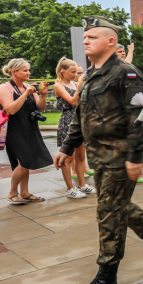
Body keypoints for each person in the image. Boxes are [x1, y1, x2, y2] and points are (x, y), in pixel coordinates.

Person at [54, 15, 143, 284]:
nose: (86, 40)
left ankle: (106, 276)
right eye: (85, 37)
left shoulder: (126, 74)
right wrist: (67, 146)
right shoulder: (90, 75)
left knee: (108, 213)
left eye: (93, 37)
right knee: (115, 206)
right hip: (100, 156)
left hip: (120, 156)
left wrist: (136, 157)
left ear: (111, 42)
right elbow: (80, 115)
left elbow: (140, 117)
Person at [0, 59, 54, 204]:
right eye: (25, 70)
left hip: (30, 128)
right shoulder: (5, 88)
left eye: (28, 70)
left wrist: (43, 95)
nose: (29, 73)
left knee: (25, 163)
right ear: (14, 72)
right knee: (24, 162)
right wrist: (25, 94)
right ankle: (12, 192)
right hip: (14, 130)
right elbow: (10, 109)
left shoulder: (27, 86)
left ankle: (25, 192)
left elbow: (40, 108)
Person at [54, 58, 95, 198]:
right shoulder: (59, 85)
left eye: (77, 72)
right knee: (68, 158)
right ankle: (69, 188)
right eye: (73, 72)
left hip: (80, 120)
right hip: (68, 122)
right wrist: (80, 86)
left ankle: (82, 184)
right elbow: (73, 101)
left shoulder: (75, 83)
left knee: (81, 156)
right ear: (62, 72)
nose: (75, 74)